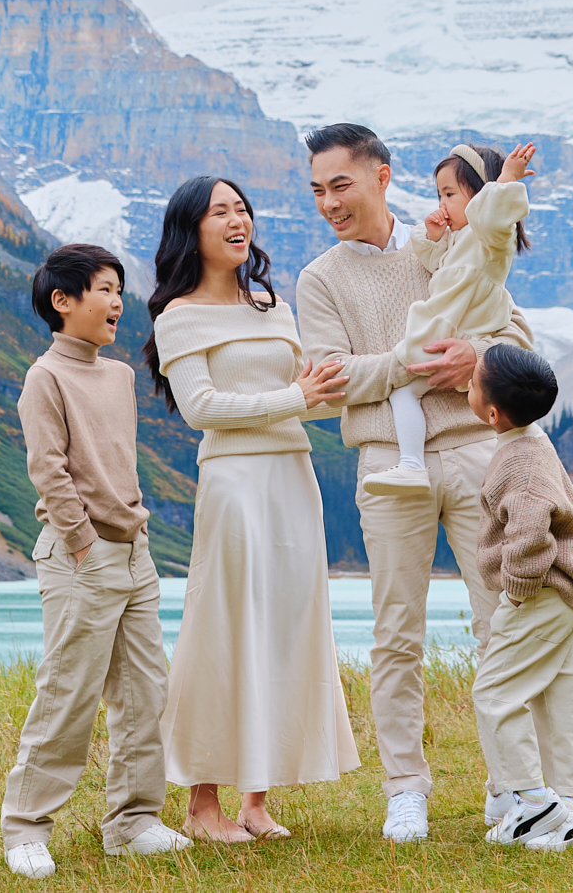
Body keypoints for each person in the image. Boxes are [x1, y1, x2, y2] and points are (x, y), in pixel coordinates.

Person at [294, 122, 533, 844]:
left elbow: (514, 342)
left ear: (381, 176)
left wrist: (474, 354)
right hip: (383, 465)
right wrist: (409, 359)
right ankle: (406, 787)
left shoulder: (449, 241)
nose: (330, 202)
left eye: (341, 184)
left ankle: (511, 786)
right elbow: (333, 384)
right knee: (396, 633)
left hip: (471, 450)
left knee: (501, 620)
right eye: (317, 190)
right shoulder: (319, 279)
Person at [146, 175, 357, 843]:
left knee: (287, 625)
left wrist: (361, 380)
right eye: (221, 211)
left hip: (292, 475)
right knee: (225, 628)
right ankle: (202, 806)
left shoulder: (274, 306)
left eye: (242, 209)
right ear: (193, 229)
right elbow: (201, 407)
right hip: (234, 480)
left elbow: (306, 395)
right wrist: (297, 396)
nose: (238, 220)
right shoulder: (178, 314)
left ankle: (256, 800)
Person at [0, 244, 191, 879]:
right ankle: (26, 828)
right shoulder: (45, 376)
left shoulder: (120, 376)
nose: (116, 302)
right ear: (64, 301)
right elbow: (48, 470)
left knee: (144, 691)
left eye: (118, 289)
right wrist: (83, 542)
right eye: (104, 290)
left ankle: (133, 821)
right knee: (68, 692)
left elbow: (116, 466)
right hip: (79, 552)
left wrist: (129, 542)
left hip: (134, 554)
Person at [467, 343, 573, 851]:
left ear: (493, 413)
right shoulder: (532, 441)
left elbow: (530, 533)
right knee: (554, 698)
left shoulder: (520, 462)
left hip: (541, 595)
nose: (468, 386)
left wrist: (518, 591)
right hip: (568, 594)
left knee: (495, 692)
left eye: (474, 382)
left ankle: (533, 801)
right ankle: (566, 808)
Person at [362, 140, 539, 499]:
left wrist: (505, 179)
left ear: (480, 195)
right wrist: (433, 236)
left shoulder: (491, 236)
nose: (442, 203)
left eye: (450, 194)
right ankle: (412, 464)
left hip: (457, 331)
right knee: (405, 392)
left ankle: (412, 465)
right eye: (439, 194)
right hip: (450, 331)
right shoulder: (462, 240)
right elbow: (435, 265)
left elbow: (493, 214)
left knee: (403, 389)